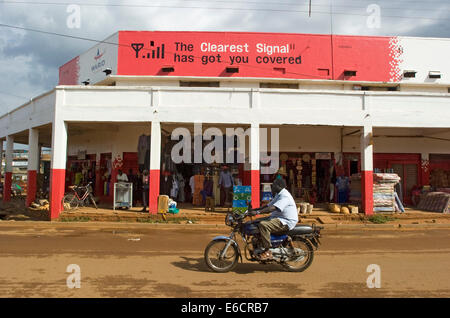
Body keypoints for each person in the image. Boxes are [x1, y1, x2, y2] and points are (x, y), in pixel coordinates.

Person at [248, 178, 298, 261]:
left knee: (264, 225)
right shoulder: (278, 194)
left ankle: (268, 251)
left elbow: (273, 208)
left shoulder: (285, 196)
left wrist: (258, 212)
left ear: (279, 186)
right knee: (256, 222)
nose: (272, 186)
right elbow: (268, 206)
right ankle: (259, 242)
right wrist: (254, 210)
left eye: (274, 185)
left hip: (286, 221)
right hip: (278, 218)